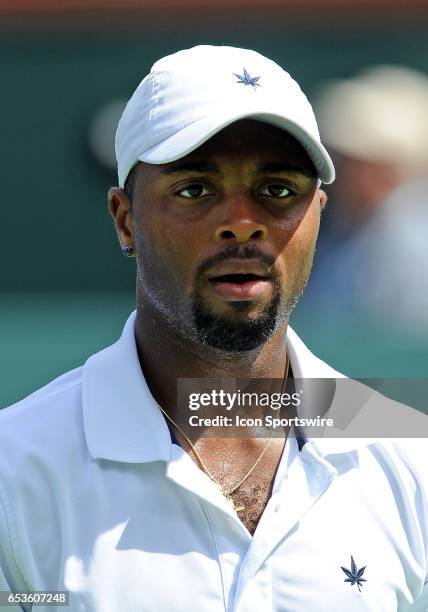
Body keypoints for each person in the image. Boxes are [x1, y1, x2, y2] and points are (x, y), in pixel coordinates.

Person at [0, 45, 426, 612]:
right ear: (125, 220)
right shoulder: (15, 473)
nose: (242, 225)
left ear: (319, 213)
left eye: (277, 190)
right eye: (194, 190)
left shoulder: (408, 456)